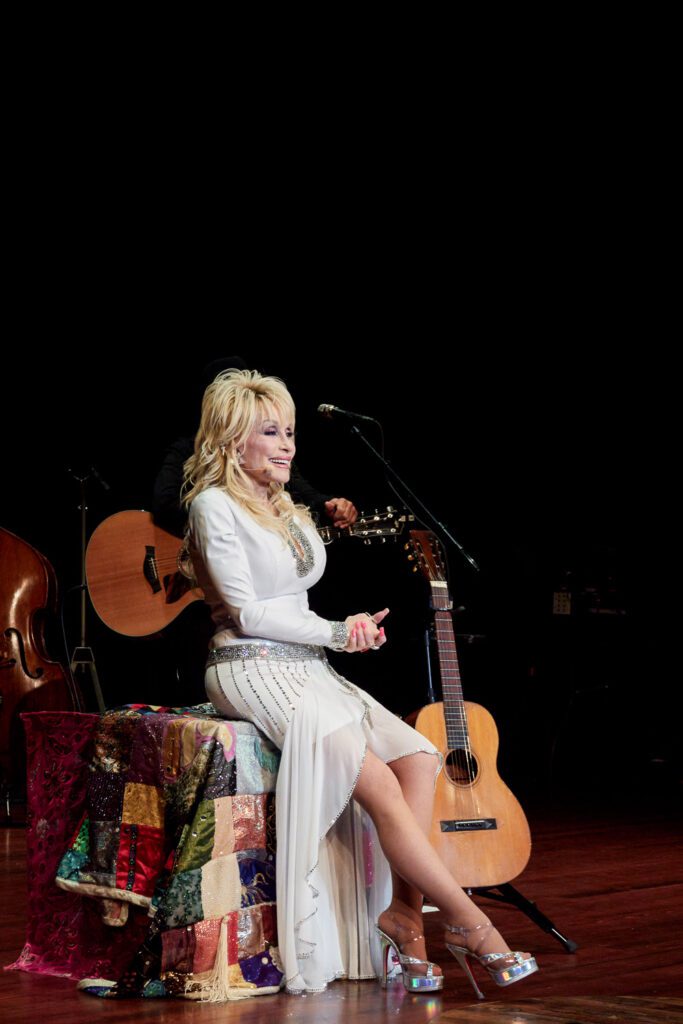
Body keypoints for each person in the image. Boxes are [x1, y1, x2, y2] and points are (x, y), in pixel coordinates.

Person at [184, 369, 539, 998]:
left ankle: (405, 917)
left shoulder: (290, 509)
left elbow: (296, 601)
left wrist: (349, 634)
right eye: (271, 432)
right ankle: (472, 924)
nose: (288, 445)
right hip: (248, 665)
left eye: (290, 432)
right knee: (374, 779)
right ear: (233, 440)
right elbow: (246, 610)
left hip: (307, 664)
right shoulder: (213, 505)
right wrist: (334, 632)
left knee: (421, 758)